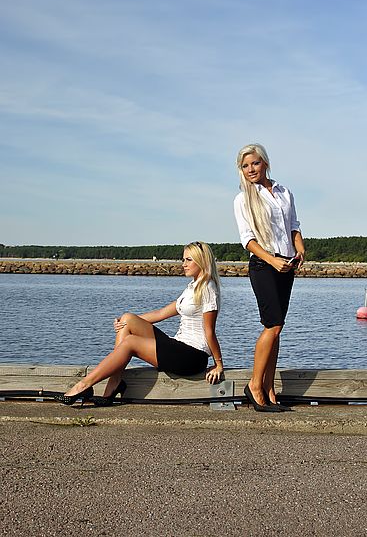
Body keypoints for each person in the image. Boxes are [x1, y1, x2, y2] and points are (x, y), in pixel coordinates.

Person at [54, 241, 224, 406]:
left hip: (192, 356)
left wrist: (218, 364)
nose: (183, 264)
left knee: (130, 343)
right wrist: (122, 322)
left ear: (201, 261)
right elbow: (160, 313)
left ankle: (83, 385)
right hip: (179, 346)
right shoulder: (192, 287)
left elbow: (209, 331)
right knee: (127, 319)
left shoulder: (208, 288)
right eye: (183, 259)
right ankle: (114, 384)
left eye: (188, 260)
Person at [234, 144, 305, 412]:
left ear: (265, 163)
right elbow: (247, 240)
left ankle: (269, 387)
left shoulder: (285, 192)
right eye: (245, 166)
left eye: (254, 163)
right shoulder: (242, 199)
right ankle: (254, 386)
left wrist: (299, 249)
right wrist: (272, 260)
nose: (250, 169)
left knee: (278, 330)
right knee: (272, 325)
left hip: (287, 265)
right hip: (264, 265)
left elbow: (294, 226)